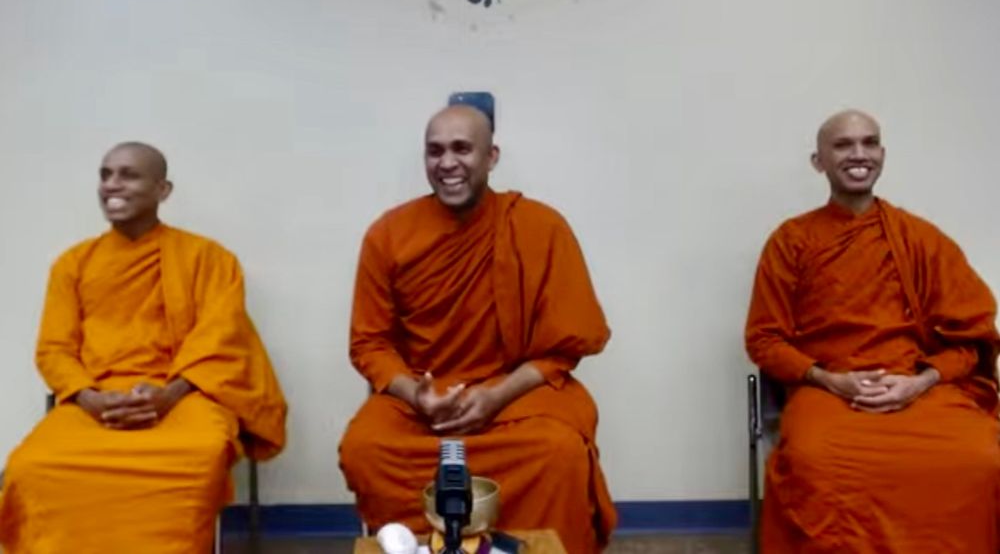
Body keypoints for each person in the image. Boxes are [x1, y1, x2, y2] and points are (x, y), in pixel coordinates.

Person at [339, 105, 615, 552]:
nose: (447, 163)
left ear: (492, 157)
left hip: (517, 391)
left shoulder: (540, 227)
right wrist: (416, 395)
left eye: (462, 149)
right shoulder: (388, 234)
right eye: (435, 151)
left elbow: (565, 346)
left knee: (558, 451)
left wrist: (497, 395)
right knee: (365, 449)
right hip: (423, 396)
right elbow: (370, 343)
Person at [0, 142, 288, 554]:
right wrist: (90, 397)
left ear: (162, 190)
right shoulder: (73, 264)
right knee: (32, 466)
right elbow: (54, 348)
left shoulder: (209, 259)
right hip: (96, 400)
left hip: (186, 395)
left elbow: (221, 339)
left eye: (128, 175)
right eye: (105, 174)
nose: (112, 184)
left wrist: (169, 394)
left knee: (201, 455)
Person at [745, 110, 1000, 552]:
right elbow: (764, 339)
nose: (858, 154)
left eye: (869, 143)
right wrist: (829, 379)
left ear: (882, 154)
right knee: (814, 464)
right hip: (830, 392)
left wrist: (920, 382)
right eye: (843, 145)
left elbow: (972, 338)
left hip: (917, 387)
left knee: (979, 458)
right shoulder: (791, 241)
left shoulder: (920, 238)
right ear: (818, 161)